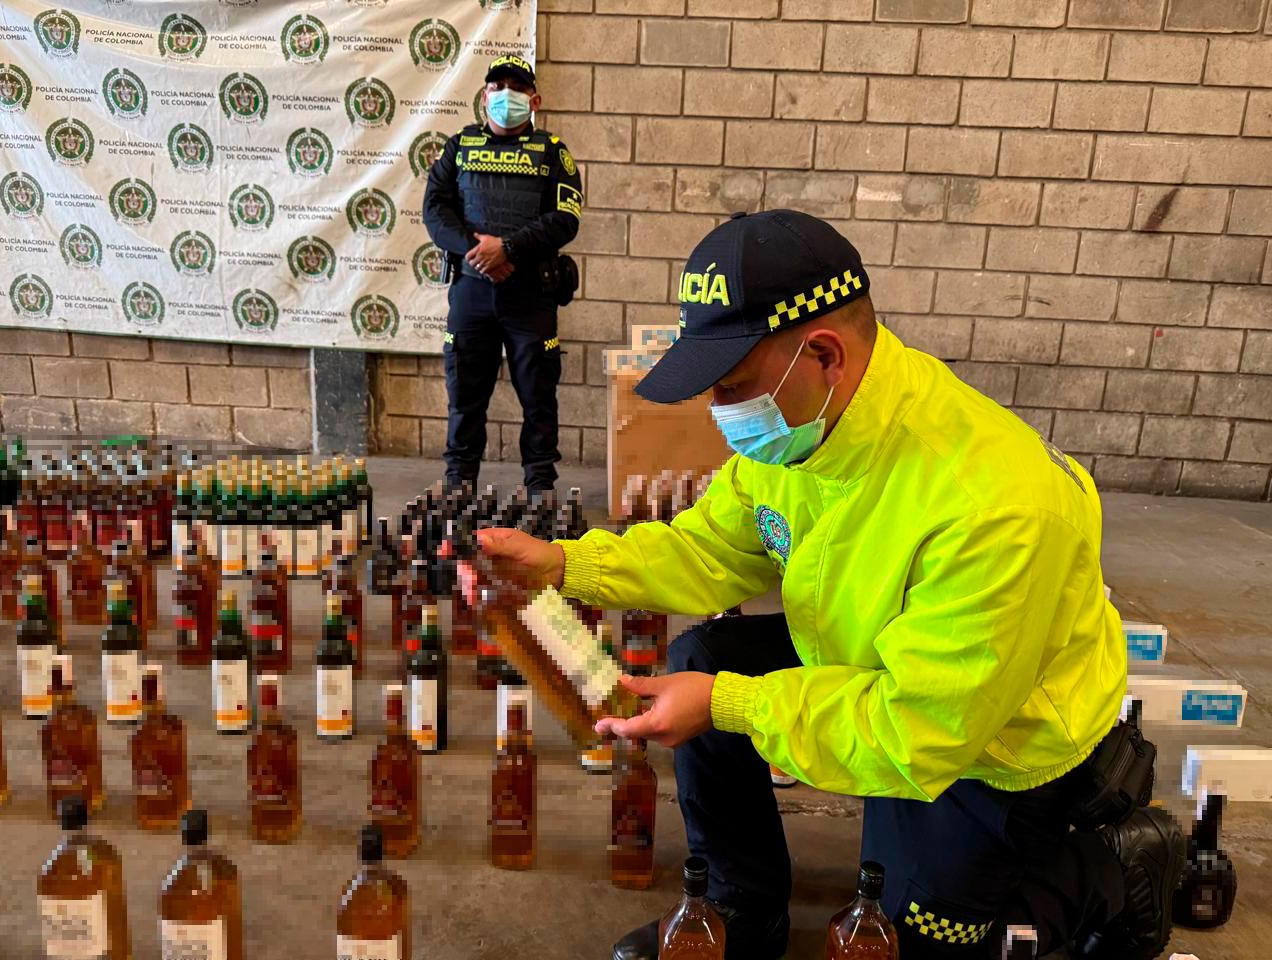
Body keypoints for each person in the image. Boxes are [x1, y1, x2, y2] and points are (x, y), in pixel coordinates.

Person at [472, 210, 1186, 960]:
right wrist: (565, 566)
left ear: (823, 354)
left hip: (991, 742)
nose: (718, 415)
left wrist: (730, 703)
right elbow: (711, 549)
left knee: (912, 940)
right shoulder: (798, 428)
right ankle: (740, 907)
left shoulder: (994, 503)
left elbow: (916, 734)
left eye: (732, 387)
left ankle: (1116, 864)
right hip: (875, 658)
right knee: (702, 657)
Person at [422, 55, 582, 495]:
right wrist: (480, 252)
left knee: (538, 396)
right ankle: (459, 487)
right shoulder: (459, 147)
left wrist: (508, 249)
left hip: (530, 294)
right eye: (498, 86)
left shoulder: (553, 152)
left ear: (535, 100)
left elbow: (566, 218)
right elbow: (435, 209)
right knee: (465, 398)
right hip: (472, 291)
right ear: (484, 95)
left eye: (517, 87)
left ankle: (540, 490)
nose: (506, 94)